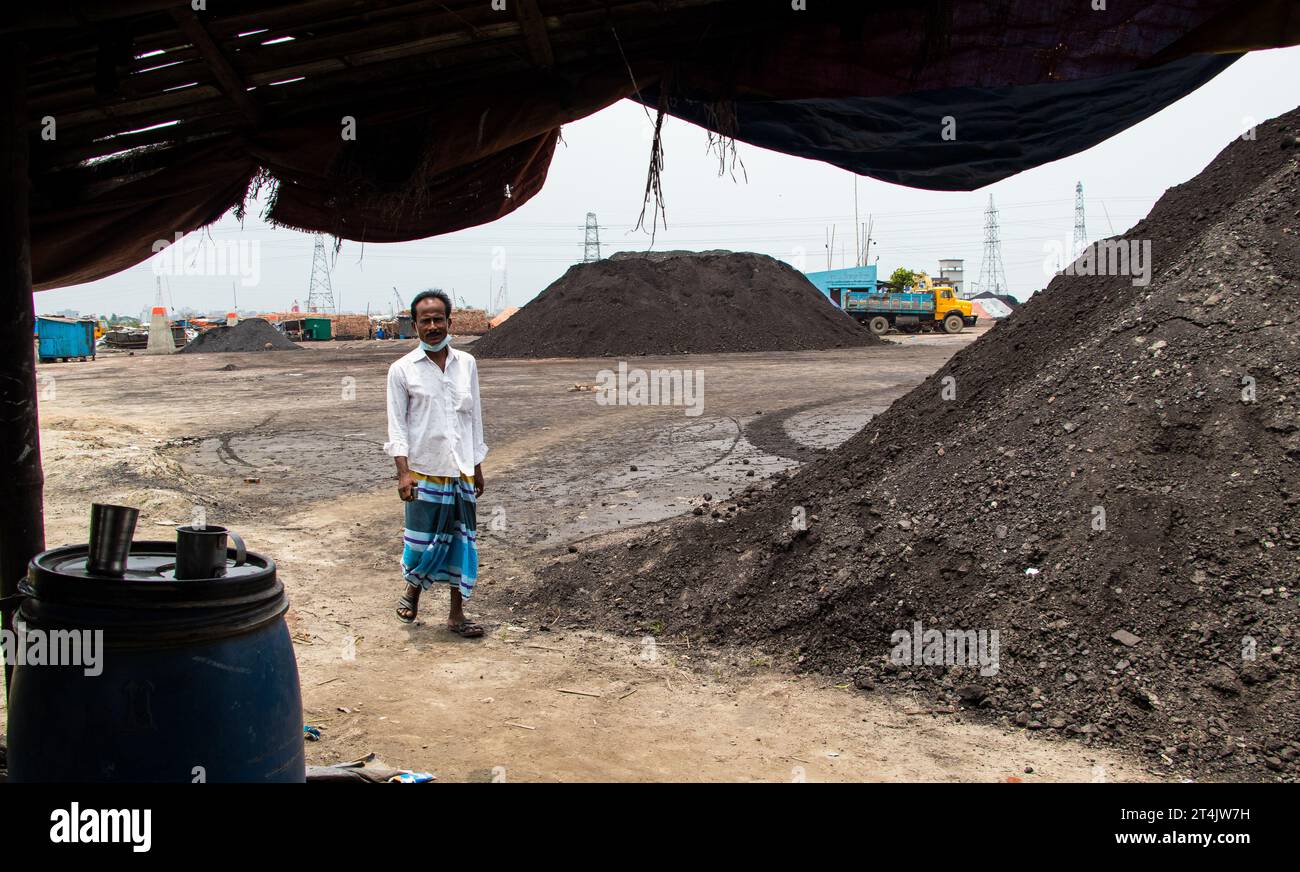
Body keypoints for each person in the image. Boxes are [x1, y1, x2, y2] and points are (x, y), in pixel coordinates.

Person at [384, 289, 488, 635]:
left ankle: (456, 614)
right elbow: (397, 425)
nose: (432, 326)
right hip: (424, 471)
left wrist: (477, 466)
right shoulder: (401, 370)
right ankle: (412, 590)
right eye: (425, 320)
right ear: (414, 325)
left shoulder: (467, 364)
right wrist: (402, 474)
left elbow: (473, 419)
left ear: (449, 322)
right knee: (420, 541)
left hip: (460, 470)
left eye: (438, 319)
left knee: (461, 542)